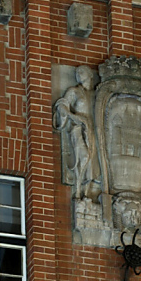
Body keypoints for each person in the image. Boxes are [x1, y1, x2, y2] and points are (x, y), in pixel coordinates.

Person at [53, 66, 100, 201]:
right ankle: (78, 189)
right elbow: (62, 105)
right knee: (84, 157)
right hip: (77, 128)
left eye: (82, 71)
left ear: (90, 75)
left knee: (92, 162)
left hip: (92, 130)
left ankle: (86, 193)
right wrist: (72, 116)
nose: (78, 74)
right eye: (77, 72)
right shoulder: (74, 91)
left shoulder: (95, 94)